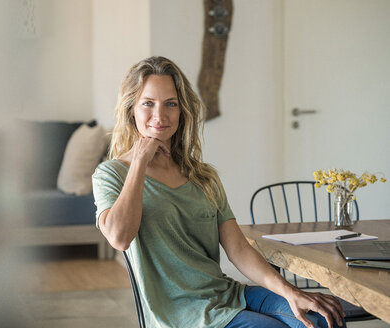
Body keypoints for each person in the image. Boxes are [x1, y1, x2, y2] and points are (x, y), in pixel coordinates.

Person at [92, 56, 345, 328]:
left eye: (171, 104)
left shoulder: (203, 176)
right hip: (182, 314)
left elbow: (238, 249)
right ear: (131, 109)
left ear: (182, 111)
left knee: (324, 318)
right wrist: (140, 160)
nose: (160, 116)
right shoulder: (111, 175)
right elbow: (119, 238)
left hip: (228, 294)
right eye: (148, 104)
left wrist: (291, 292)